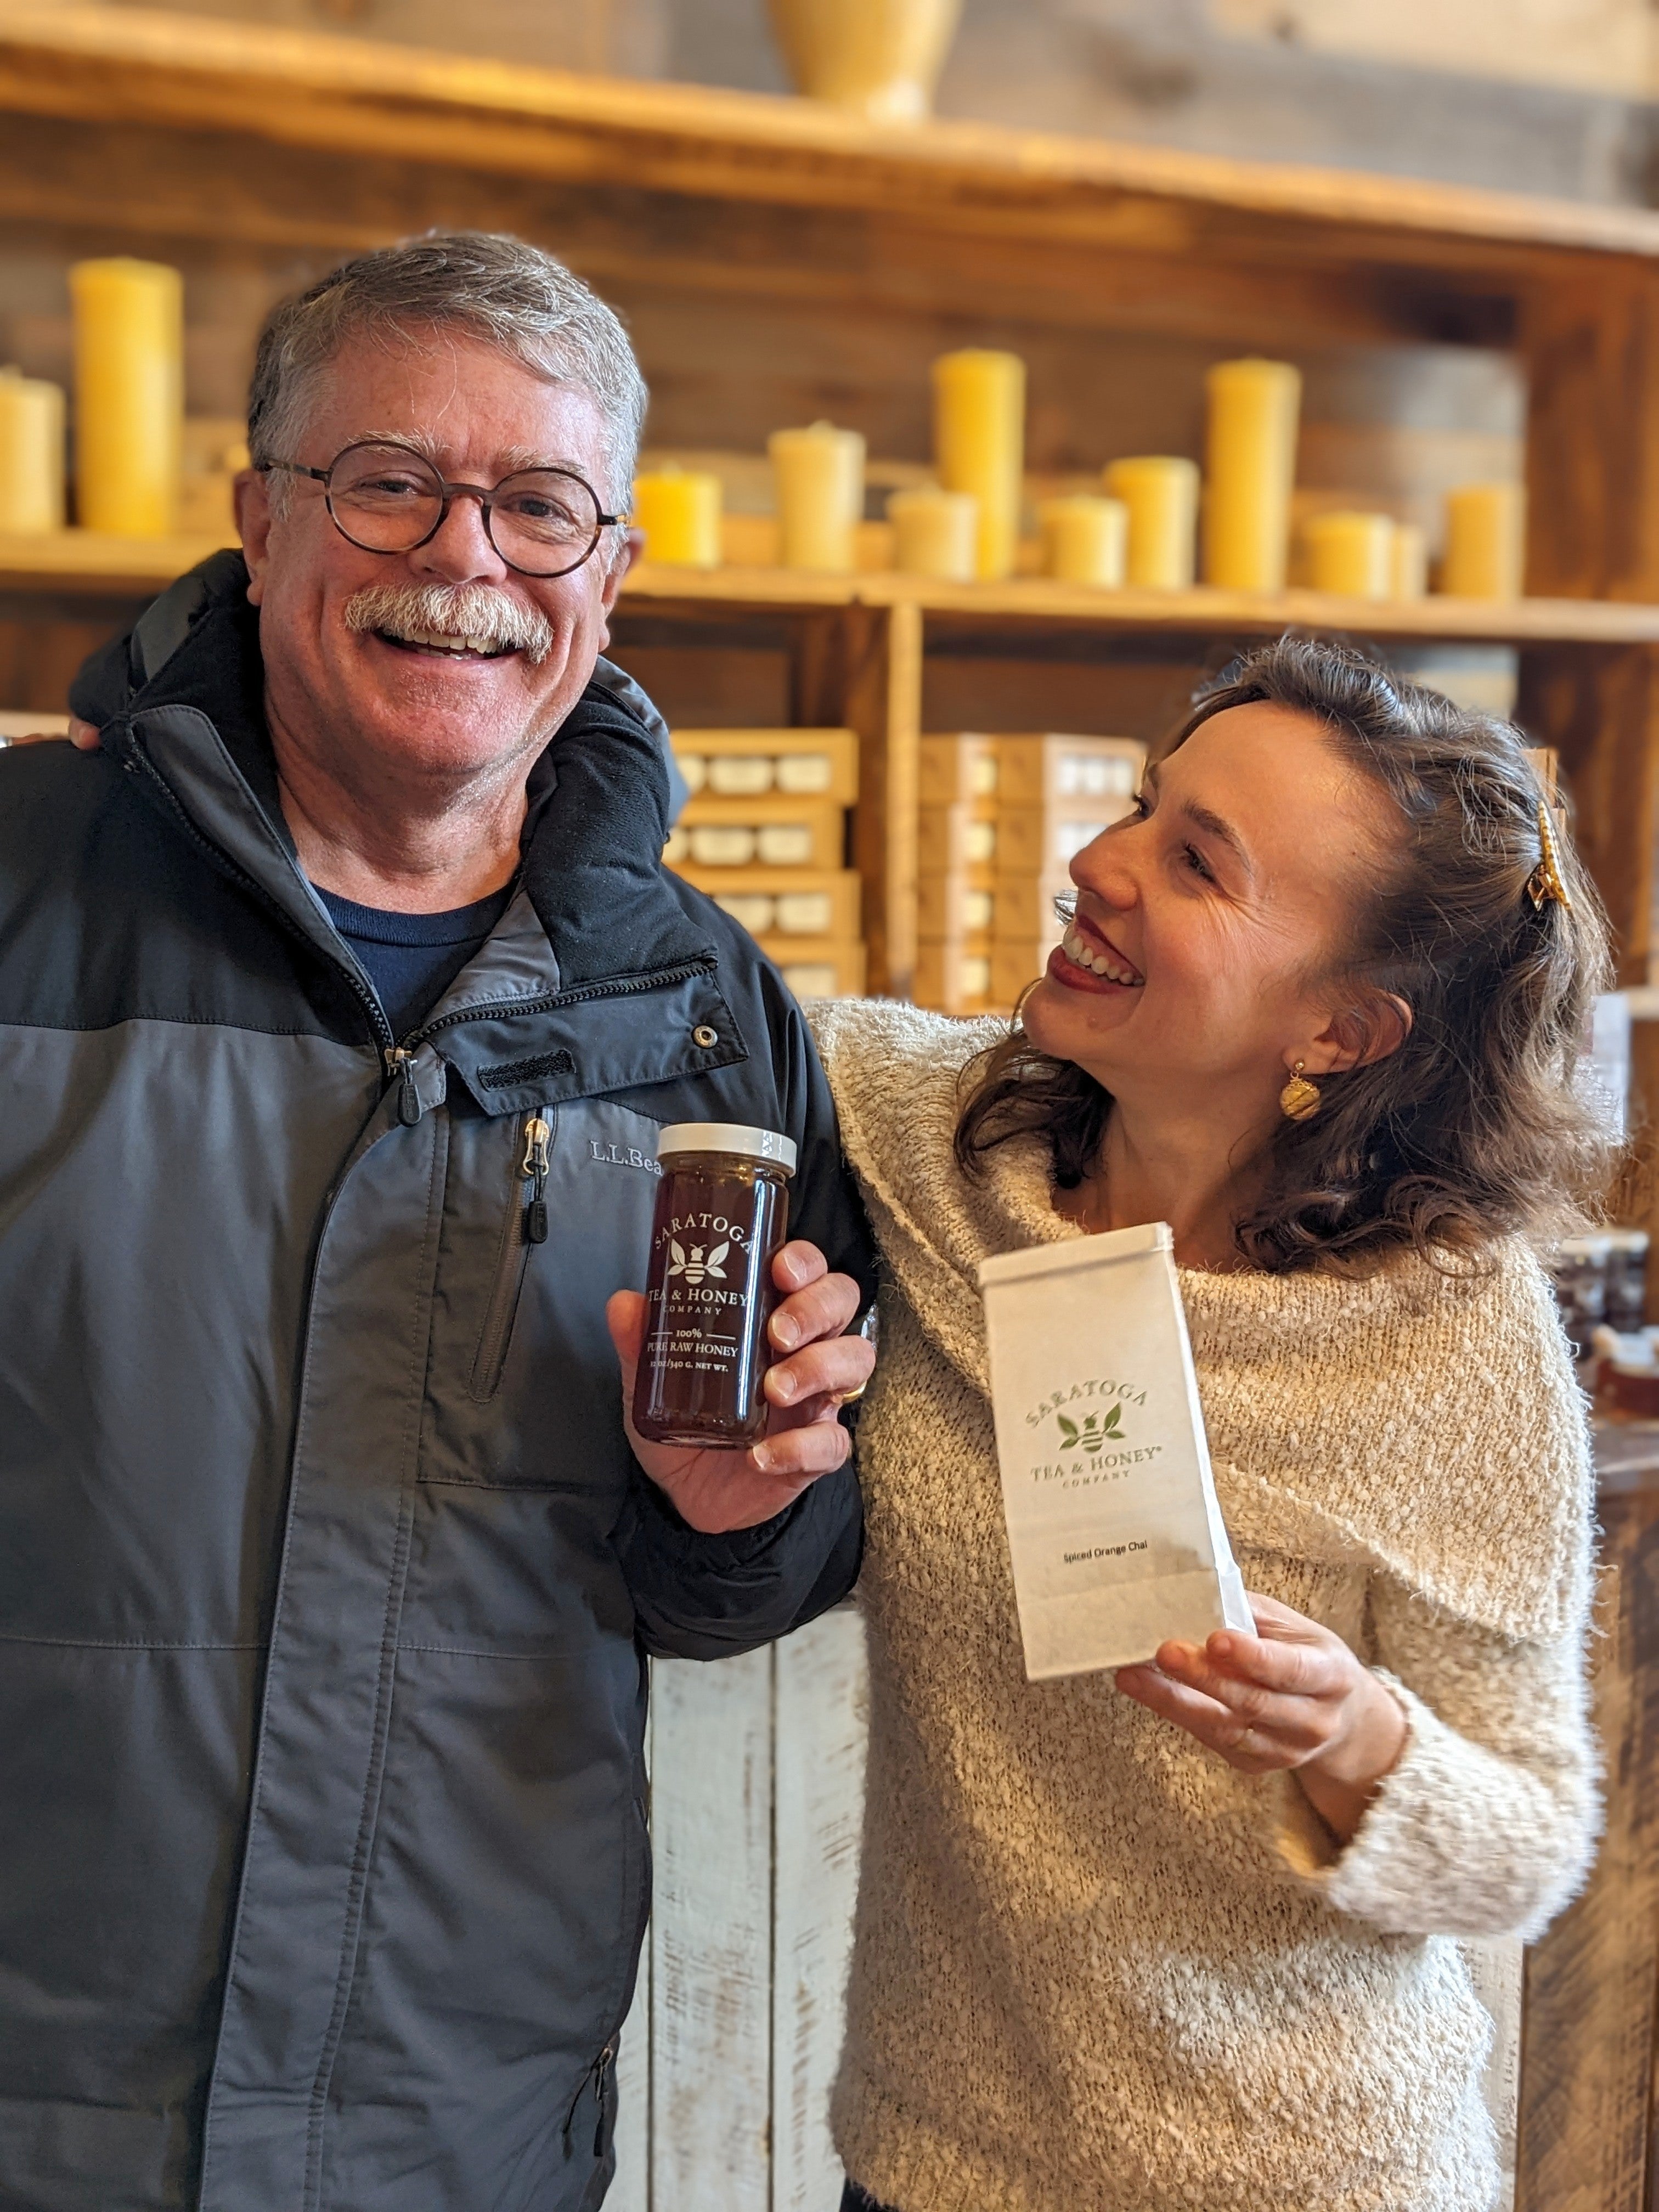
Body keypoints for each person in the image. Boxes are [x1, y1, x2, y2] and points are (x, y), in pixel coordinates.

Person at [0, 230, 874, 2212]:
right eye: (391, 479)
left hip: (457, 2122)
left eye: (540, 505)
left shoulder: (703, 1016)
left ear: (612, 572)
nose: (465, 557)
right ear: (260, 516)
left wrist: (747, 1512)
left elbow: (738, 1581)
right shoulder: (20, 896)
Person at [806, 639, 1605, 2212]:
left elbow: (1529, 1850)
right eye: (1136, 807)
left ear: (1343, 1033)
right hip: (932, 2163)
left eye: (1195, 864)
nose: (1096, 868)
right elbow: (663, 1014)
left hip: (1311, 2178)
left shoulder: (1449, 1336)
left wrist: (1352, 1738)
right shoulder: (918, 1141)